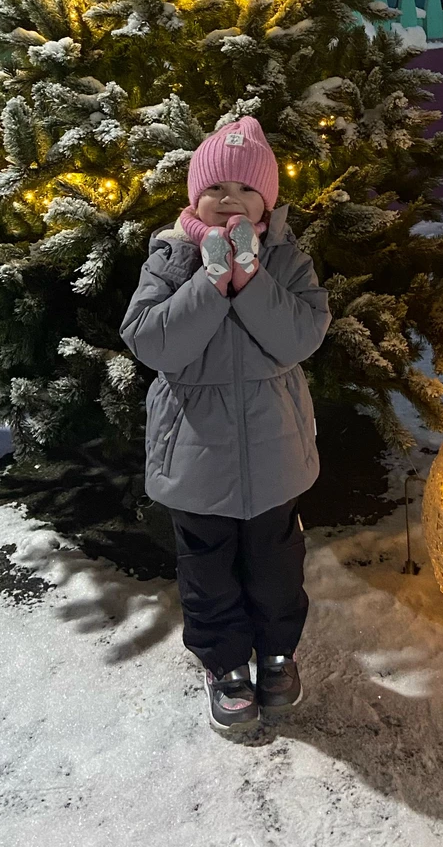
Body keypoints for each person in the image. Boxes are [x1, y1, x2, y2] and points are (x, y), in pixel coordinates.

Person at [120, 117, 331, 733]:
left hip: (274, 453)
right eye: (215, 188)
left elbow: (300, 335)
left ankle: (275, 654)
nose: (228, 199)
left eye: (244, 189)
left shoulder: (288, 258)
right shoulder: (171, 257)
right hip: (195, 450)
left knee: (275, 563)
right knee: (207, 568)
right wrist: (211, 287)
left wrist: (252, 281)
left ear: (267, 199)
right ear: (194, 196)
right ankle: (225, 663)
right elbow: (151, 340)